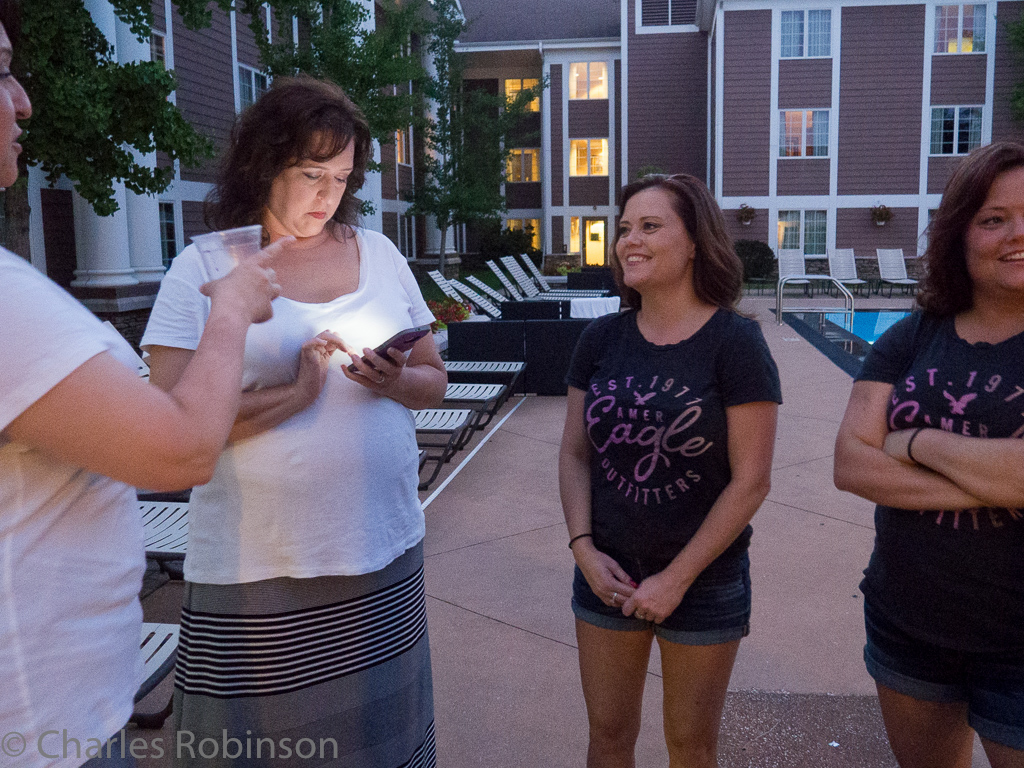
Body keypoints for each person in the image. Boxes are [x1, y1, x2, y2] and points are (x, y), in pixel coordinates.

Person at [0, 3, 283, 767]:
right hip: (42, 733)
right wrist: (229, 310)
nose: (24, 98)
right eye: (0, 73)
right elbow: (181, 451)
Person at [142, 76, 446, 767]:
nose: (327, 195)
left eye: (340, 177)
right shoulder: (206, 268)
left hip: (380, 550)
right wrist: (296, 392)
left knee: (377, 745)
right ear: (263, 162)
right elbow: (165, 424)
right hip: (260, 568)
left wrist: (396, 381)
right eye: (312, 173)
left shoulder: (382, 255)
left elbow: (434, 382)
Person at [559, 173, 781, 768]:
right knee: (608, 736)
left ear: (694, 242)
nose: (629, 239)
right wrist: (582, 546)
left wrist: (677, 578)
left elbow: (751, 480)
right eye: (624, 228)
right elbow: (576, 453)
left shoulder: (735, 343)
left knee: (689, 744)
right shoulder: (600, 338)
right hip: (606, 573)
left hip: (703, 581)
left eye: (650, 226)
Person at [834, 142, 1024, 768]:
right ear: (961, 235)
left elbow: (882, 452)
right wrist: (999, 477)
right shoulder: (914, 334)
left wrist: (918, 443)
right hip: (908, 625)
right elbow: (853, 464)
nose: (1015, 234)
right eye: (993, 219)